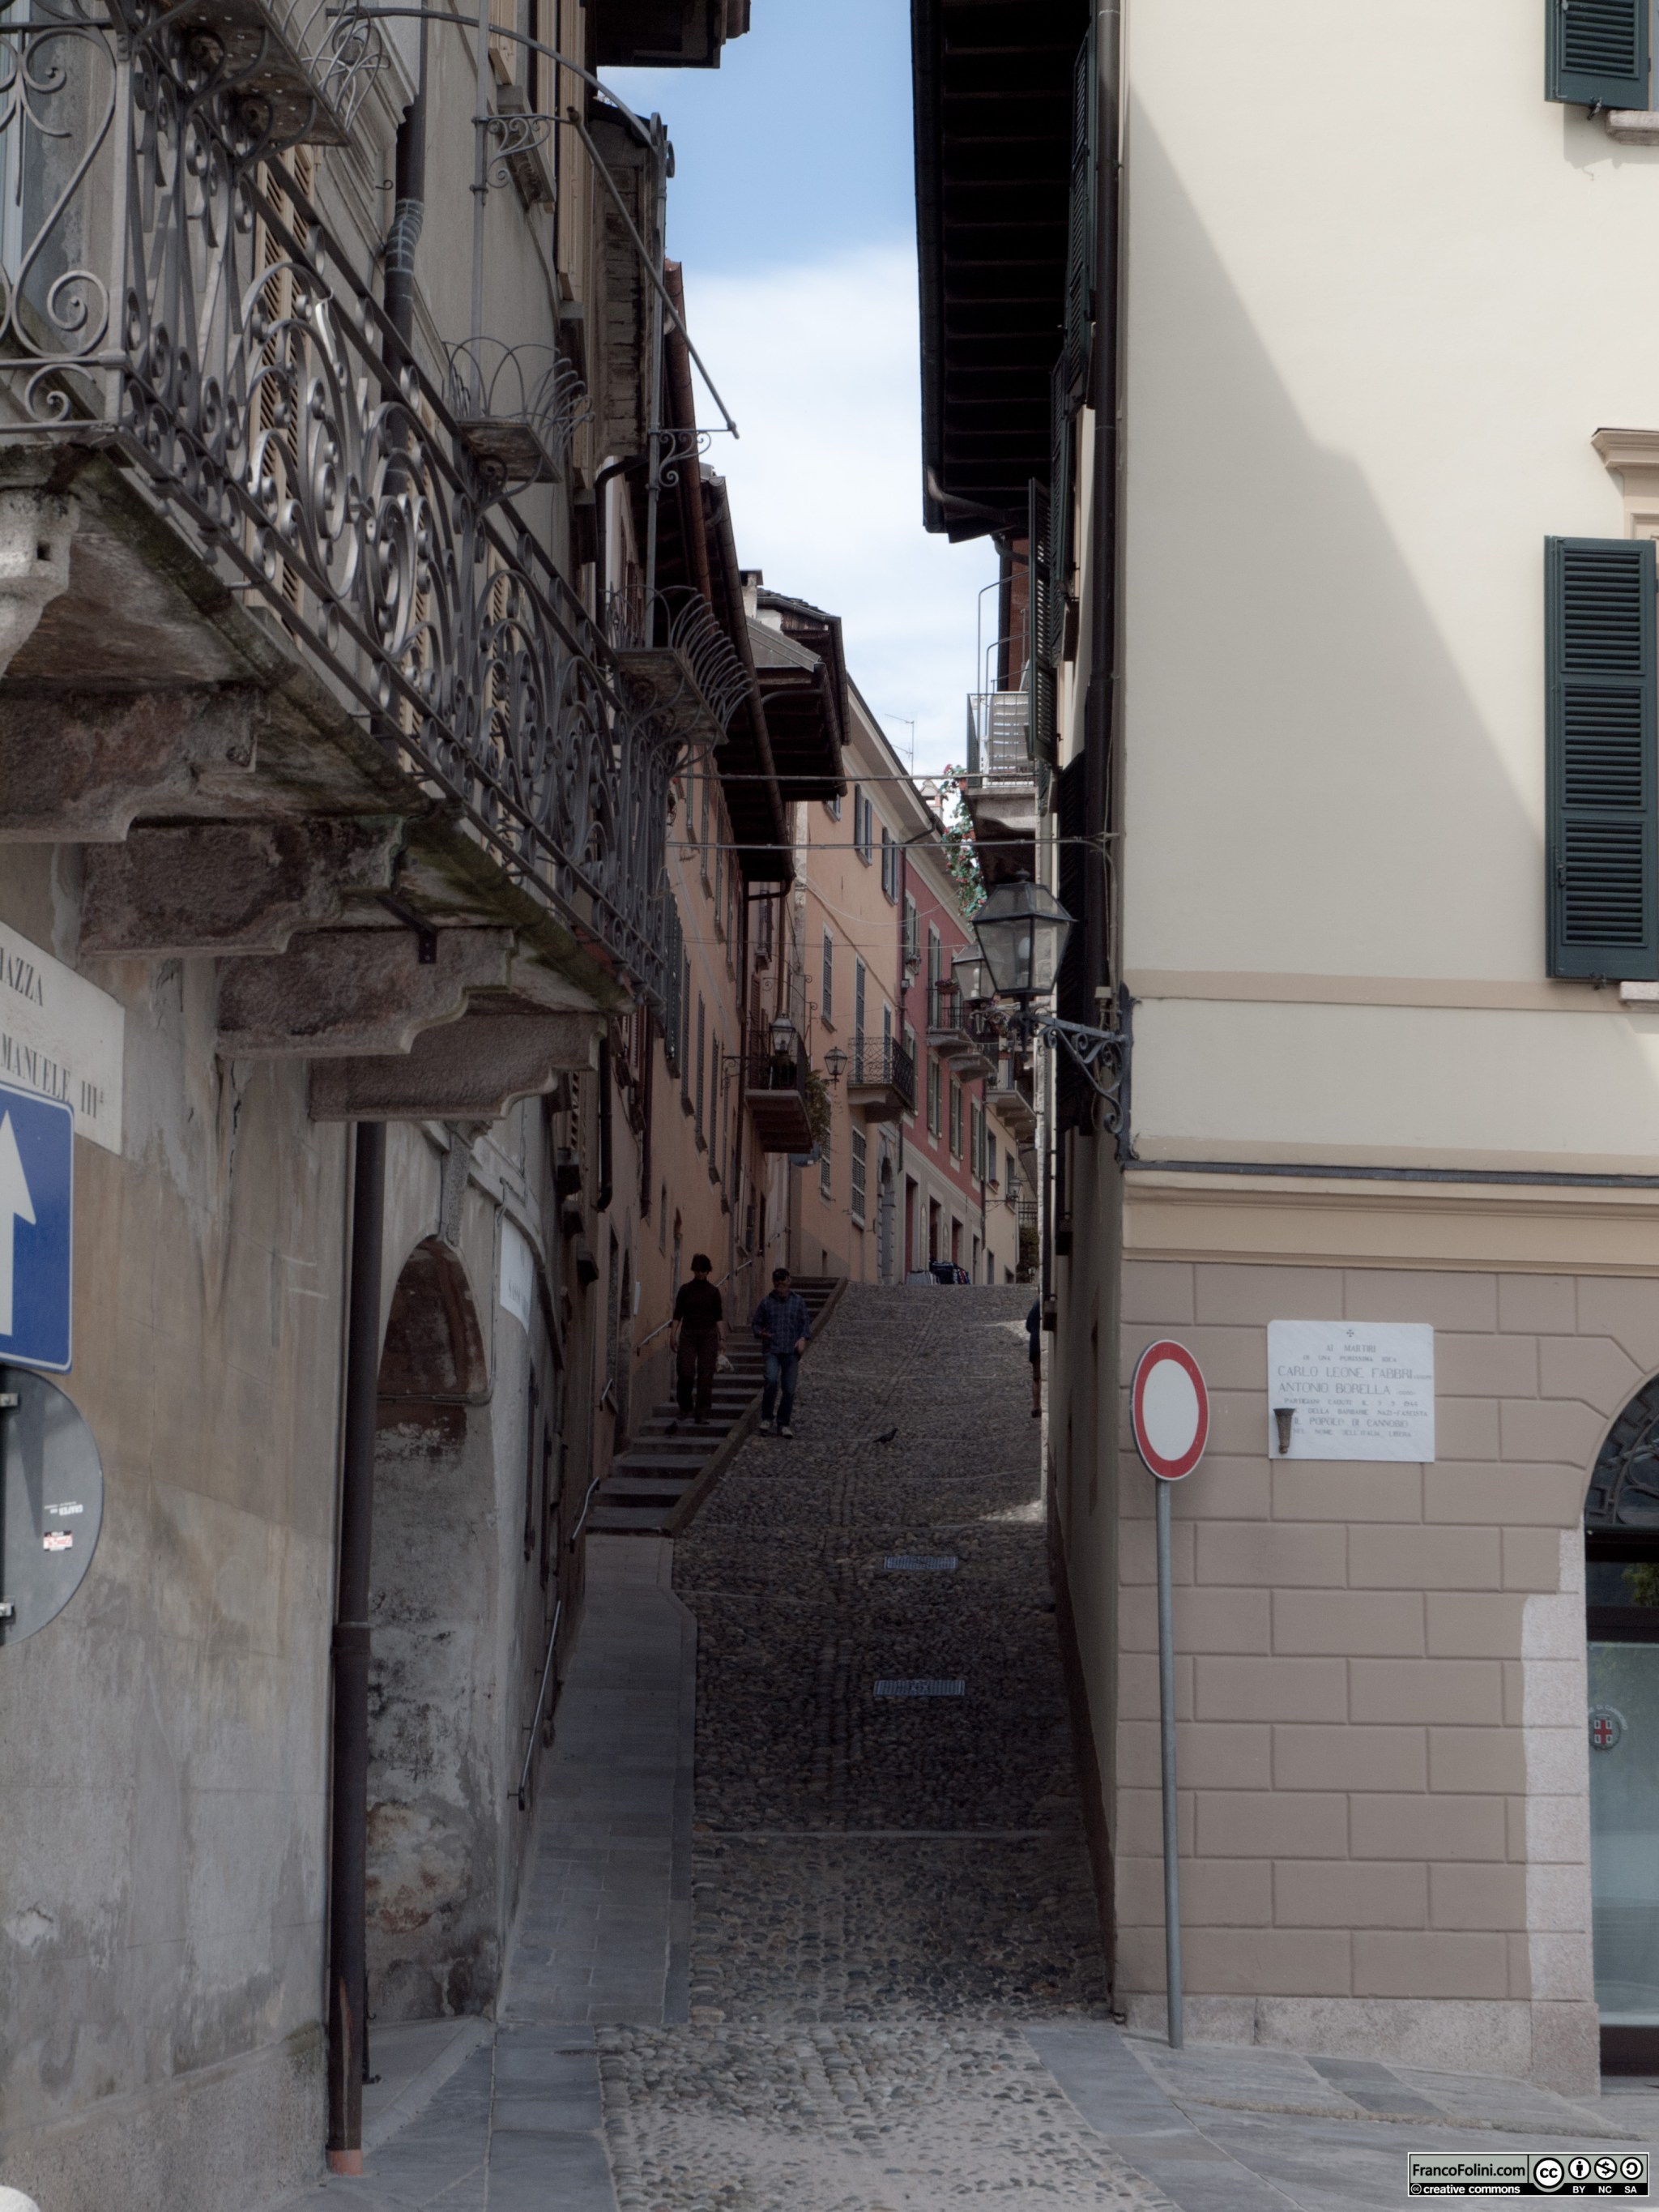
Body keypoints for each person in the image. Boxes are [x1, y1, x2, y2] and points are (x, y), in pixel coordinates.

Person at [752, 1266, 810, 1437]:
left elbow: (805, 1324)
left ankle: (783, 1423)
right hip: (772, 1349)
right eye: (777, 1282)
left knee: (789, 1389)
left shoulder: (798, 1302)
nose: (780, 1285)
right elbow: (756, 1323)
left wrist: (802, 1338)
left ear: (789, 1281)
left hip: (791, 1352)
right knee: (770, 1381)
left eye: (783, 1281)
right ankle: (767, 1418)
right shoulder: (766, 1302)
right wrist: (760, 1333)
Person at [670, 1253, 724, 1426]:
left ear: (708, 1271)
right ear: (693, 1270)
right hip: (688, 1334)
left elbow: (718, 1317)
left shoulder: (714, 1292)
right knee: (685, 1372)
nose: (700, 1273)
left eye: (703, 1270)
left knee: (706, 1374)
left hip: (708, 1335)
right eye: (697, 1270)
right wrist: (673, 1334)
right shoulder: (685, 1290)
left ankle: (702, 1412)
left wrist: (721, 1339)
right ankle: (685, 1406)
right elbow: (678, 1314)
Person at [1027, 1297, 1042, 1419]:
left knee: (1036, 1377)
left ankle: (1035, 1406)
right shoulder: (1040, 1303)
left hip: (1033, 1346)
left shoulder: (1035, 1305)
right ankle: (1041, 1404)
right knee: (1041, 1376)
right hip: (1040, 1343)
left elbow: (1028, 1325)